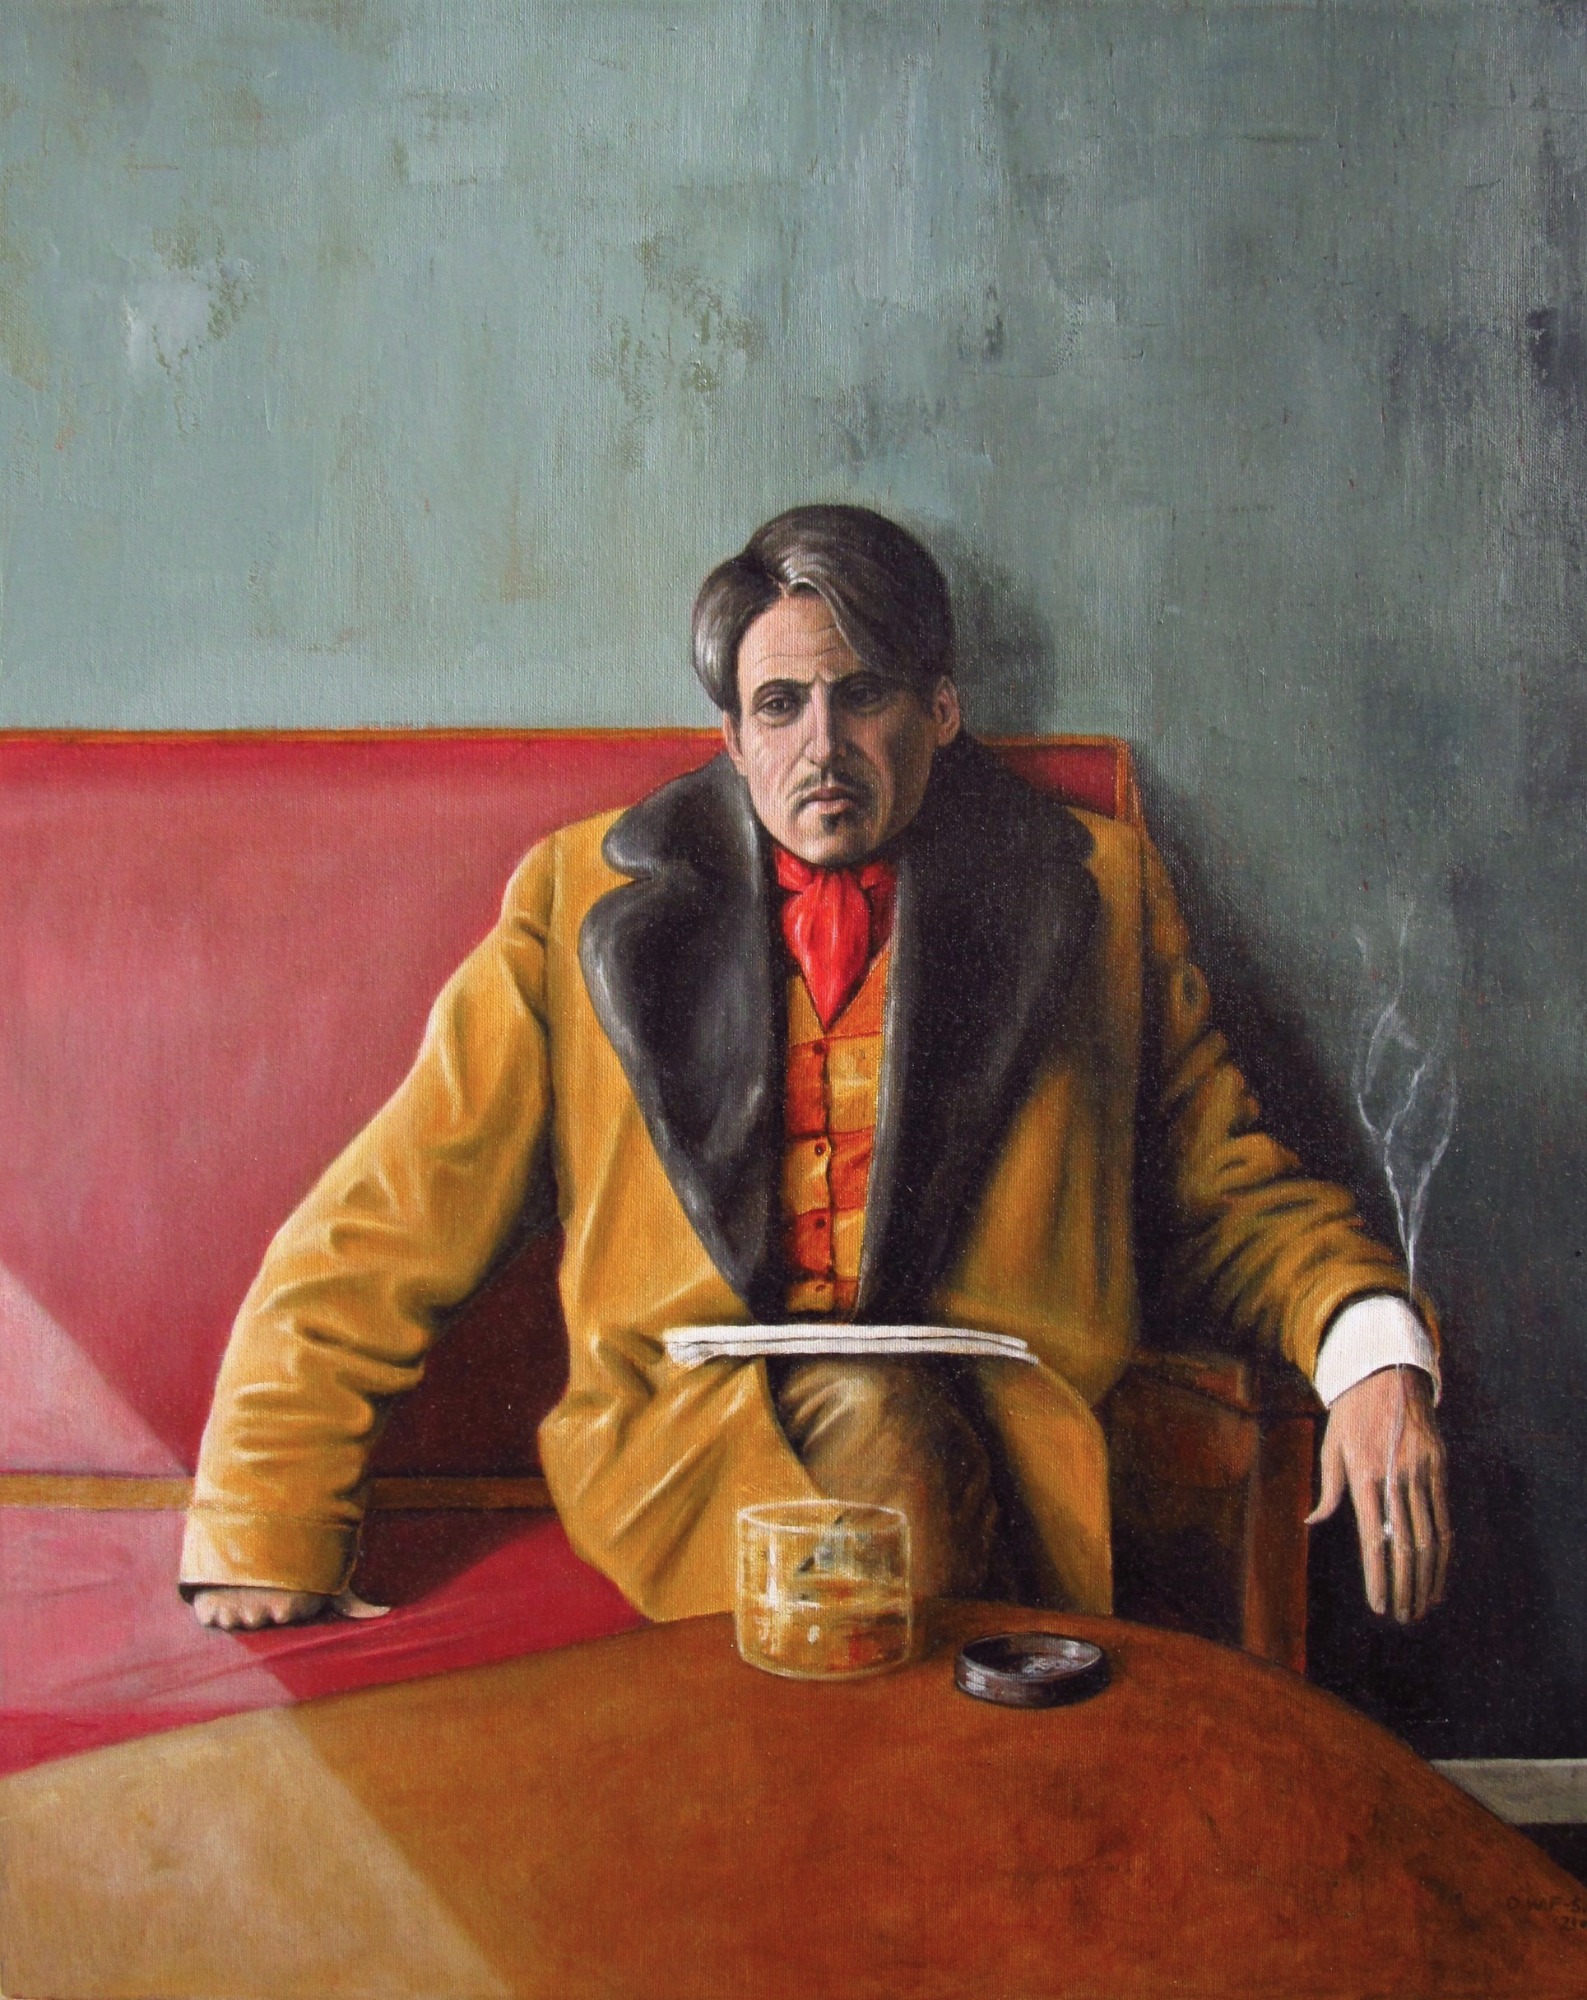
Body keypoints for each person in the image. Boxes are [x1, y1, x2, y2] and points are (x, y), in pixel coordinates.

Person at [184, 504, 1450, 1633]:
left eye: (864, 694)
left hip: (997, 1432)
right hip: (689, 1438)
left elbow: (1227, 1187)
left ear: (940, 710)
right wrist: (264, 1514)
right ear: (733, 738)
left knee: (896, 1440)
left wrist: (1370, 1350)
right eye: (781, 706)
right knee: (879, 1448)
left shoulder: (1096, 893)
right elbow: (395, 1212)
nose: (823, 745)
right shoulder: (578, 901)